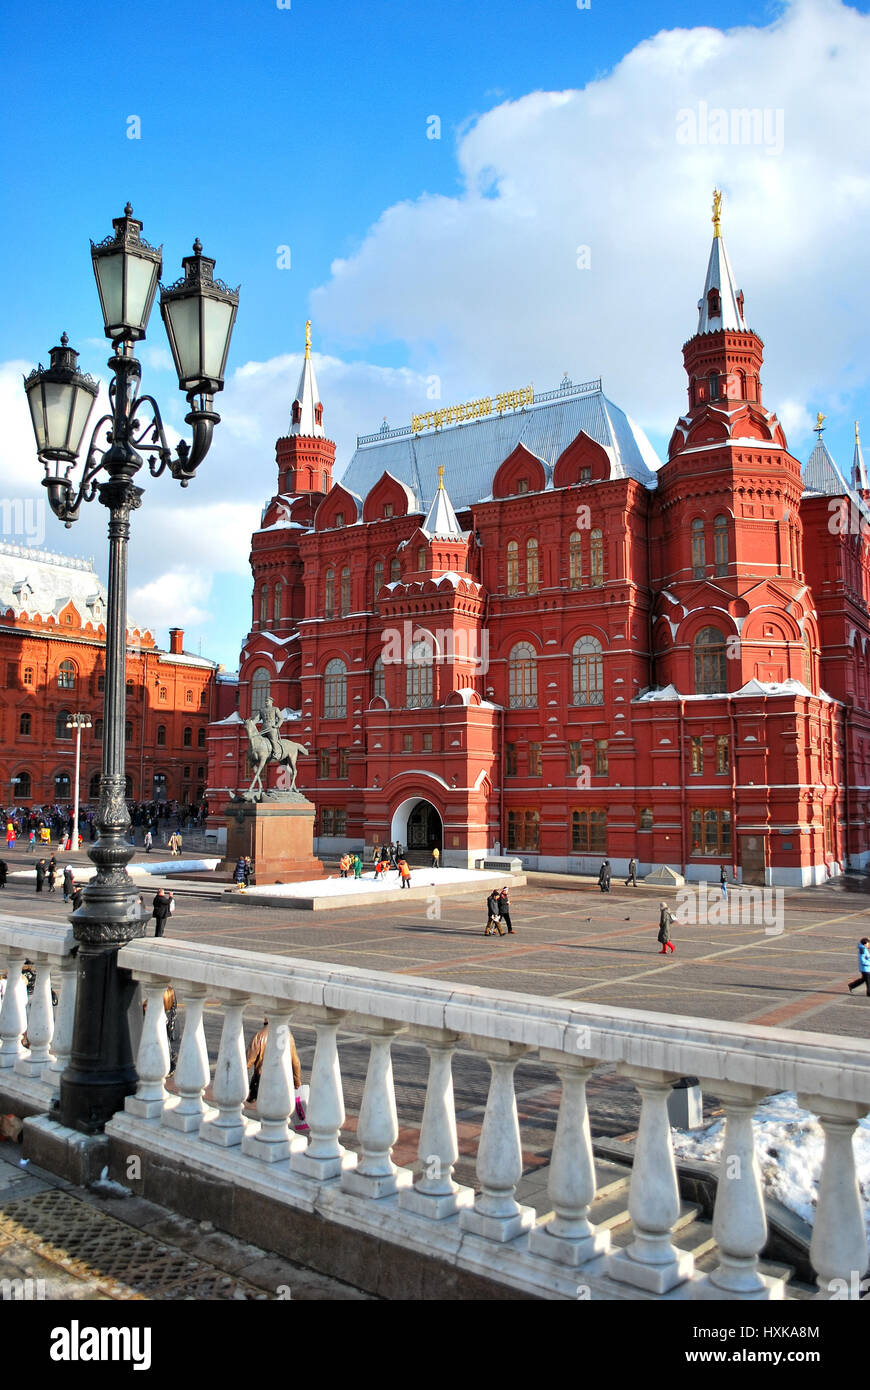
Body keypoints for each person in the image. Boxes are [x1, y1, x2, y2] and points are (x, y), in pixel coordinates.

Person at [245, 1018, 309, 1132]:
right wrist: (297, 1082)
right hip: (284, 1079)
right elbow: (296, 1063)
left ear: (265, 1019)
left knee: (268, 1112)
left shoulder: (259, 1036)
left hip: (264, 1081)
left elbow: (247, 1062)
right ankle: (279, 1132)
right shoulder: (287, 1035)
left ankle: (268, 1133)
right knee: (281, 1111)